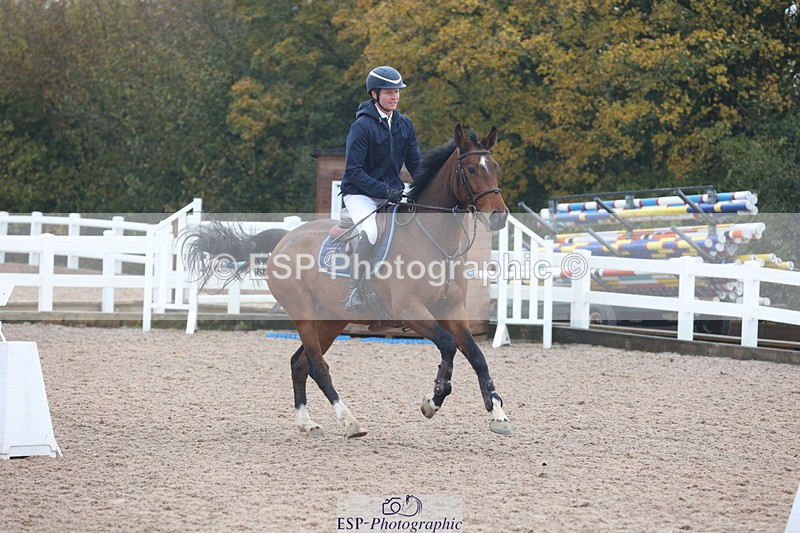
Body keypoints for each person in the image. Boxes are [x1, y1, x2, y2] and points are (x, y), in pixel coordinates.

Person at [340, 65, 423, 313]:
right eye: (389, 92)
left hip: (392, 193)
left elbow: (416, 164)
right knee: (372, 233)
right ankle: (356, 289)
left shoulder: (404, 125)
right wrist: (385, 191)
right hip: (360, 194)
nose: (395, 96)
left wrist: (423, 189)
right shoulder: (362, 127)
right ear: (374, 94)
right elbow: (353, 171)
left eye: (397, 91)